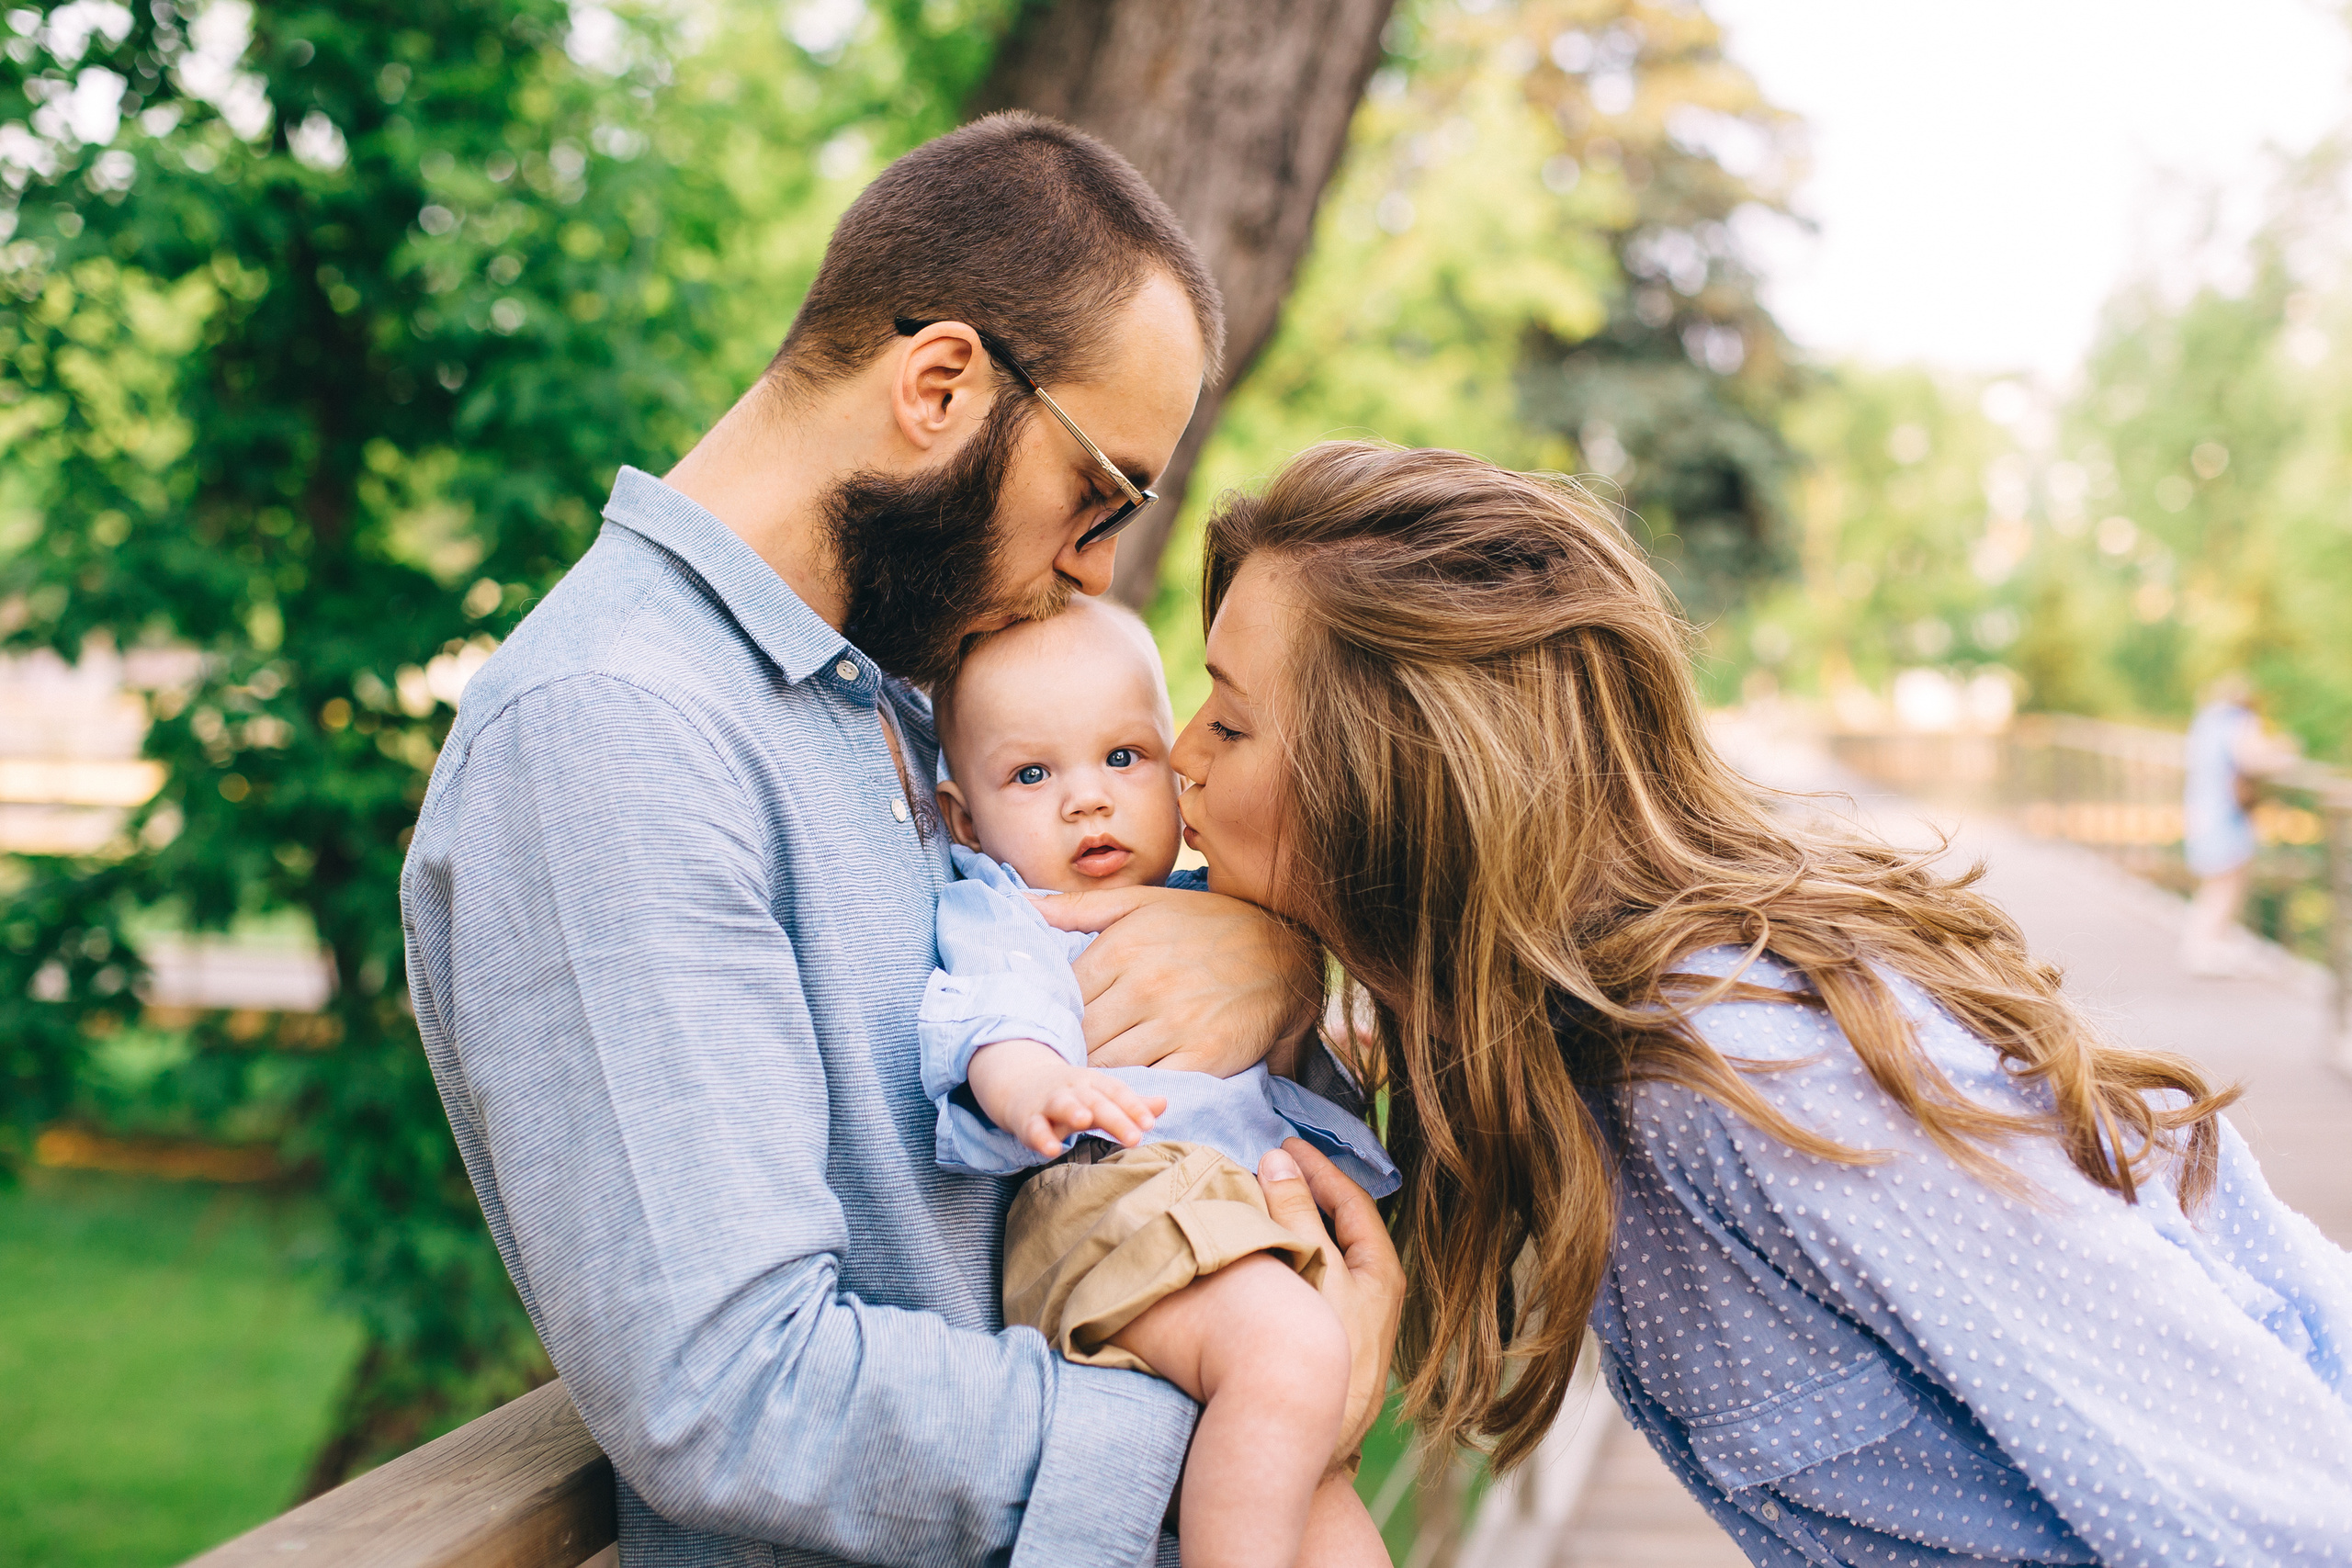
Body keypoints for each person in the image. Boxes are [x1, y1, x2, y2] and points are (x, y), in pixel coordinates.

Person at [1043, 443, 2352, 1566]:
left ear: (1405, 782)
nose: (1178, 756)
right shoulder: (1571, 1027)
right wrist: (1294, 956)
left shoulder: (1756, 1070)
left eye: (1231, 716)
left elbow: (2269, 1519)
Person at [400, 118, 1402, 1568]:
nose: (1098, 568)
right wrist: (1261, 1415)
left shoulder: (910, 693)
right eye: (1098, 492)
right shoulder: (613, 732)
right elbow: (728, 1388)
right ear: (939, 384)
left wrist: (1274, 958)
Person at [921, 596, 1396, 1568]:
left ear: (1175, 776)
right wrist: (1037, 1084)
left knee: (1333, 1517)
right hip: (1112, 1196)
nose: (1086, 799)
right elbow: (988, 1016)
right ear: (963, 820)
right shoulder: (1011, 911)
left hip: (1229, 1217)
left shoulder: (1213, 902)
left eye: (1122, 757)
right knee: (1290, 1358)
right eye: (1031, 773)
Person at [2180, 673, 2297, 976]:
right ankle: (2204, 950)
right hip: (2226, 814)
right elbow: (2253, 758)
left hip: (2203, 811)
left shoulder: (2205, 721)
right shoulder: (2238, 720)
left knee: (2216, 883)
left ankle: (2205, 946)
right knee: (2226, 883)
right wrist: (2287, 753)